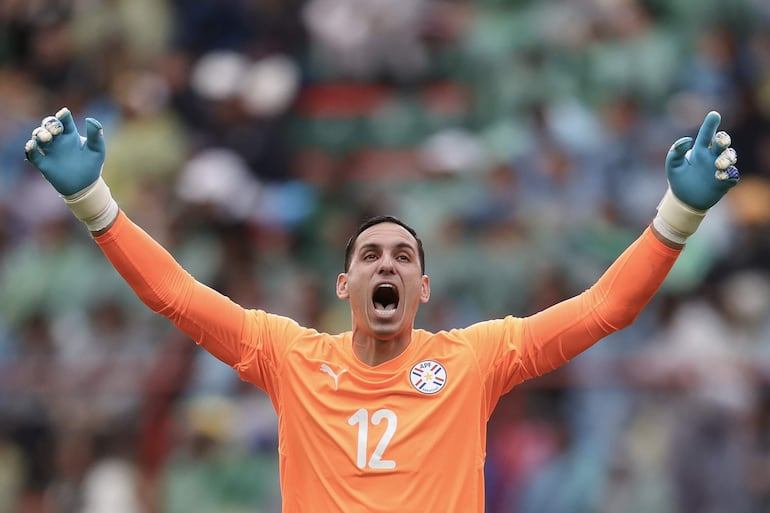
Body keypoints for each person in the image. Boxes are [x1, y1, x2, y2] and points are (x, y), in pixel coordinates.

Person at [23, 107, 739, 512]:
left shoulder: (474, 359)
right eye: (370, 255)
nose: (388, 263)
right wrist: (96, 205)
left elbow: (605, 307)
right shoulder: (290, 356)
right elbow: (175, 295)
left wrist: (677, 214)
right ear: (344, 287)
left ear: (424, 289)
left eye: (403, 256)